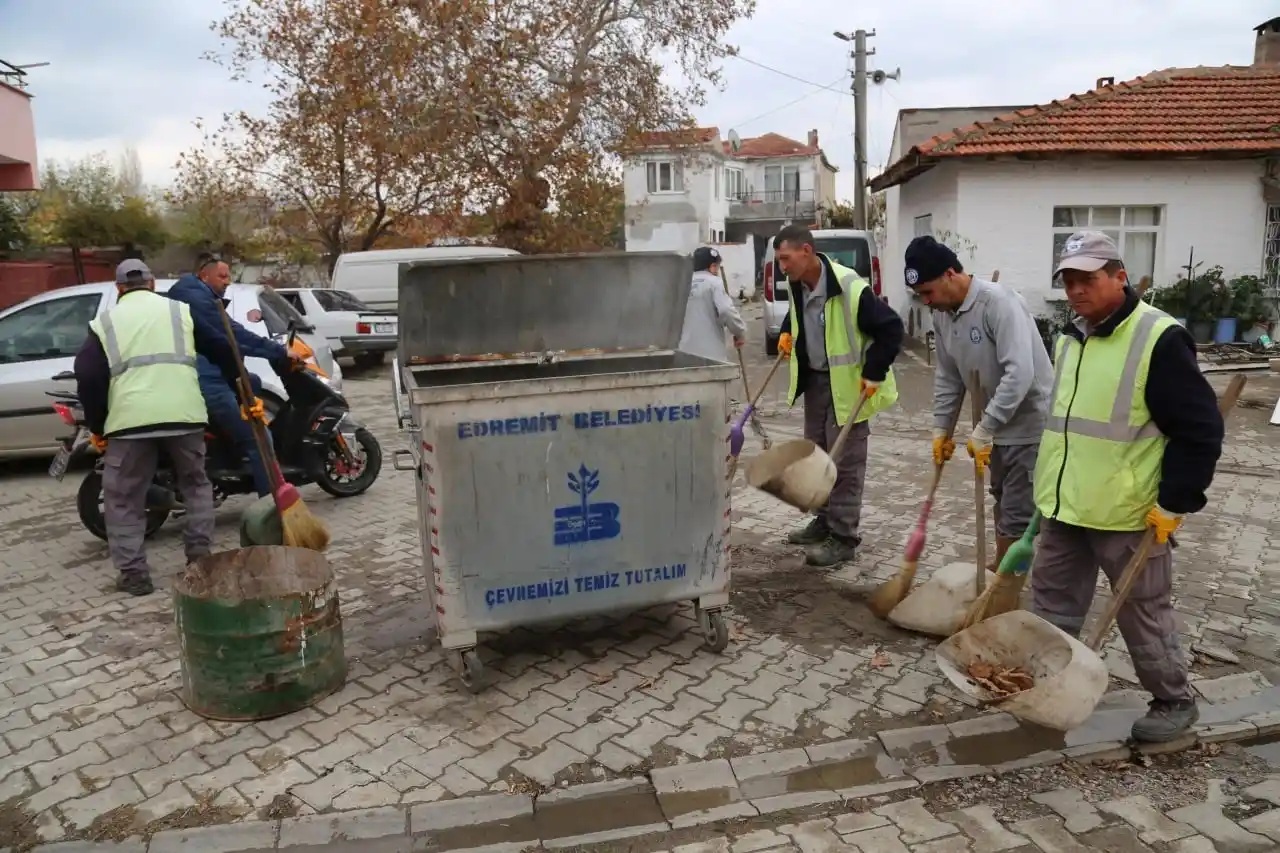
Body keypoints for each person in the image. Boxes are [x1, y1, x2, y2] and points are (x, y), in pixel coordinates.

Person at [1032, 231, 1225, 743]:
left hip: (1127, 511)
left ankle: (1174, 700)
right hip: (1066, 504)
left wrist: (1176, 501)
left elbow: (1200, 428)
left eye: (1088, 279)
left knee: (1143, 611)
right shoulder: (1070, 337)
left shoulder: (1157, 338)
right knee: (1051, 605)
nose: (1076, 290)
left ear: (1120, 276)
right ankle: (1050, 684)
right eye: (1068, 280)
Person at [74, 260, 243, 596]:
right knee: (196, 485)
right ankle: (199, 560)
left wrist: (98, 424)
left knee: (123, 498)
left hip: (130, 422)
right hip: (186, 415)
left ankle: (135, 575)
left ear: (119, 288)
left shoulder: (104, 322)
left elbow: (89, 375)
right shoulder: (181, 312)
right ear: (152, 284)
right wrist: (236, 389)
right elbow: (224, 348)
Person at [903, 236, 1054, 569]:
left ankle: (1005, 582)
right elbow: (948, 376)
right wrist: (941, 429)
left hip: (1030, 426)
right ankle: (1005, 569)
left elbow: (1020, 373)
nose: (926, 302)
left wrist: (986, 426)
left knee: (1017, 510)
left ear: (949, 274)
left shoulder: (998, 304)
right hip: (995, 430)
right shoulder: (942, 316)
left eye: (928, 292)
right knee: (1003, 500)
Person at [774, 225, 904, 568]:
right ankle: (824, 521)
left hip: (850, 387)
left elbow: (891, 329)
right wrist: (788, 331)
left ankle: (844, 537)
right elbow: (800, 312)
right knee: (817, 457)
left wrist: (874, 371)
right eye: (779, 260)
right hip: (816, 383)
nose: (782, 267)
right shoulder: (797, 283)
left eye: (786, 258)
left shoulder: (850, 287)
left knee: (844, 464)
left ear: (806, 251)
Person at [168, 256, 297, 497]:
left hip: (207, 375)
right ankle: (272, 503)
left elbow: (231, 333)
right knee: (259, 438)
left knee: (255, 383)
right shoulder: (198, 300)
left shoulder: (194, 295)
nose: (228, 282)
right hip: (209, 380)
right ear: (204, 276)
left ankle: (236, 459)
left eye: (229, 276)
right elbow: (233, 336)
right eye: (222, 276)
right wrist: (277, 351)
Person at [678, 246, 746, 362]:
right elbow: (726, 310)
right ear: (713, 266)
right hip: (711, 354)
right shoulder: (714, 283)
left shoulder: (681, 284)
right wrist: (739, 332)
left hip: (684, 353)